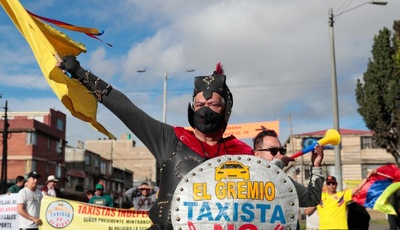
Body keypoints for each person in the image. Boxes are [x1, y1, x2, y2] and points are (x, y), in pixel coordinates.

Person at [58, 56, 254, 229]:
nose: (205, 109)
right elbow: (125, 109)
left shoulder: (242, 155)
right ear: (192, 109)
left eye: (213, 104)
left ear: (226, 110)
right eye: (199, 104)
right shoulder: (171, 140)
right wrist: (80, 73)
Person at [253, 129, 325, 207]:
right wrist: (279, 162)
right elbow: (263, 177)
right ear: (257, 154)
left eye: (281, 150)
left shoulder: (284, 181)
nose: (279, 154)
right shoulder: (248, 176)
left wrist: (316, 166)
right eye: (273, 150)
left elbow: (312, 199)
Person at [309, 171, 376, 230]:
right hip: (324, 228)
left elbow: (358, 188)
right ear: (326, 185)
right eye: (329, 183)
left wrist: (368, 175)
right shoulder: (320, 197)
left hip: (340, 227)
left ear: (336, 184)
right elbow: (307, 211)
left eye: (333, 183)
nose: (331, 185)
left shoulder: (343, 195)